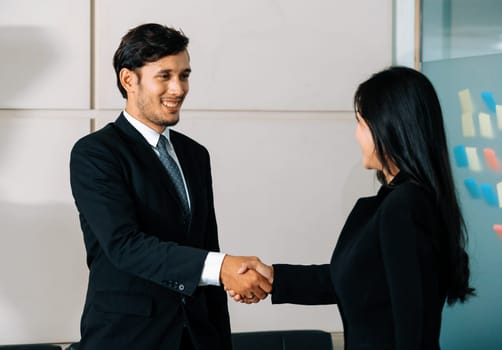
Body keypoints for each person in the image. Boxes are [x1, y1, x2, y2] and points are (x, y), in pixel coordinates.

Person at [233, 66, 476, 350]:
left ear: (388, 128)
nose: (357, 134)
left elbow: (415, 325)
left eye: (361, 122)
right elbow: (352, 278)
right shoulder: (394, 202)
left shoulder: (406, 206)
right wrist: (272, 277)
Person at [69, 23, 270, 350]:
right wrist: (222, 268)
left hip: (196, 338)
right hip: (128, 339)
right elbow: (125, 245)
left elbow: (207, 244)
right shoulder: (96, 153)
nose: (178, 88)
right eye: (165, 76)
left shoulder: (195, 154)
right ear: (128, 79)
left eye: (184, 75)